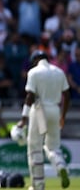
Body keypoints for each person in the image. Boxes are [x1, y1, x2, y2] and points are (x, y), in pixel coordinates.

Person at [15, 50, 71, 190]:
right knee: (53, 147)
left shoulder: (34, 72)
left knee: (35, 148)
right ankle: (61, 166)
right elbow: (67, 95)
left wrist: (23, 119)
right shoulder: (59, 72)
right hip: (55, 110)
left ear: (35, 60)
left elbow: (30, 97)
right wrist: (63, 116)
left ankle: (38, 185)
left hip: (39, 110)